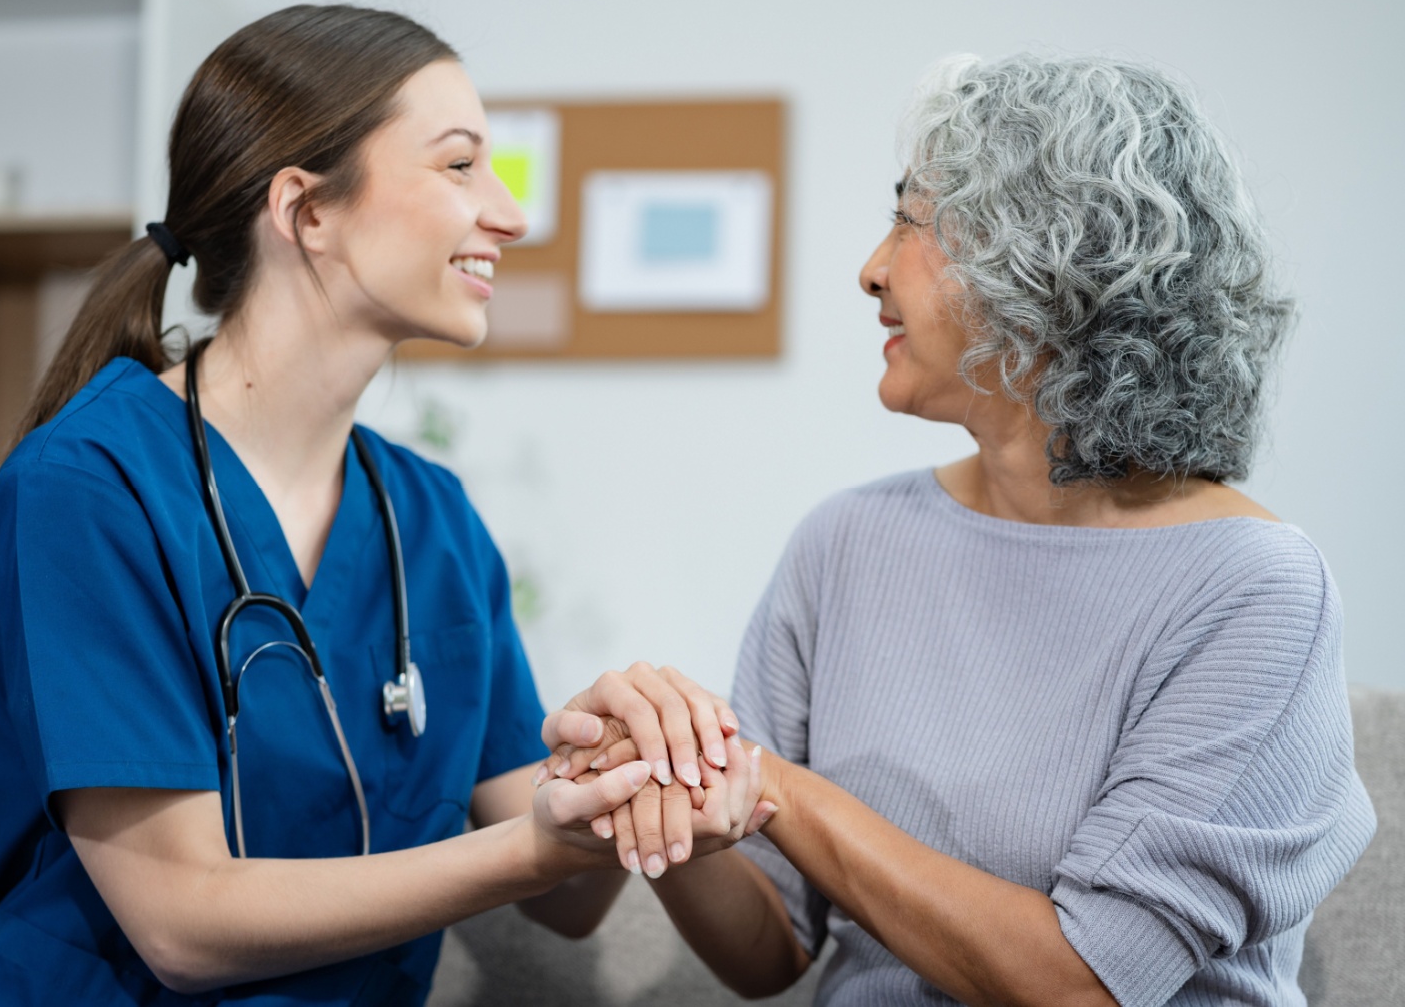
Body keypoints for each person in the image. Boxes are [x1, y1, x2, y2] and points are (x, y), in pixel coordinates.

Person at [0, 5, 762, 1006]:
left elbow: (567, 903)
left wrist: (626, 770)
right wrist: (534, 850)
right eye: (459, 166)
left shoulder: (433, 522)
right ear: (306, 211)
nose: (509, 213)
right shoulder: (87, 489)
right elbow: (182, 924)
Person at [540, 55, 1377, 1006]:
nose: (869, 269)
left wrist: (778, 787)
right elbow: (765, 955)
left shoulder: (1255, 592)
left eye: (910, 220)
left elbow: (1085, 986)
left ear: (1048, 263)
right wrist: (669, 782)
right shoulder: (844, 542)